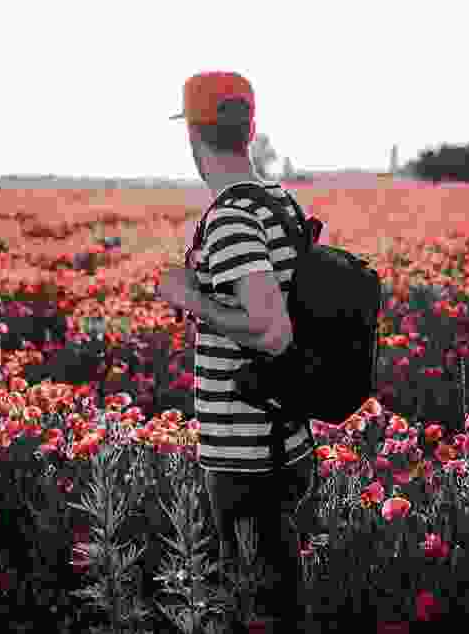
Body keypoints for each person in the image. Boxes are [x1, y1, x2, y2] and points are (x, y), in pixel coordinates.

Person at [157, 71, 316, 633]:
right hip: (287, 440)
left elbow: (271, 332)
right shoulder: (278, 202)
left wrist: (190, 298)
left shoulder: (230, 217)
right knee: (282, 604)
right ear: (249, 130)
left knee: (252, 611)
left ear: (194, 136)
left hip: (248, 458)